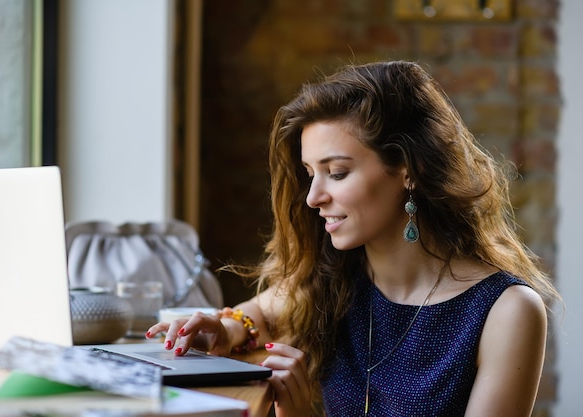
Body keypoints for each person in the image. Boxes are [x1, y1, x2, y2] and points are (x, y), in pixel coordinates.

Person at [146, 61, 560, 417]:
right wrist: (225, 329)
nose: (313, 197)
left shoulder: (505, 311)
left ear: (408, 170)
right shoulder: (334, 277)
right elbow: (259, 311)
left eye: (338, 173)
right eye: (311, 174)